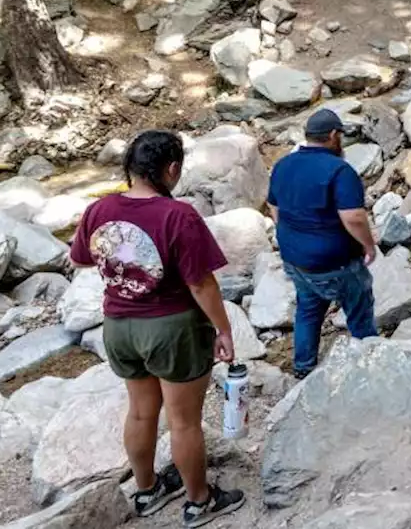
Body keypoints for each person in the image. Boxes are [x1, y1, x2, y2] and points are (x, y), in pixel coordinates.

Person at [69, 130, 245, 528]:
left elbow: (80, 259)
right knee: (183, 422)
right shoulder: (177, 215)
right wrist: (223, 330)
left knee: (141, 413)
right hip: (170, 328)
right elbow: (201, 284)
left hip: (118, 326)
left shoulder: (99, 210)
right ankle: (200, 502)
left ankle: (147, 491)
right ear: (172, 169)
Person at [267, 108, 379, 379]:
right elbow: (353, 217)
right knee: (359, 308)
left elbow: (273, 206)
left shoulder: (284, 164)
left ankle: (303, 368)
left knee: (308, 309)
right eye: (340, 136)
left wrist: (293, 235)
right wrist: (369, 245)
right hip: (335, 263)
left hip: (295, 259)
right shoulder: (340, 170)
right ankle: (369, 367)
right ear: (332, 135)